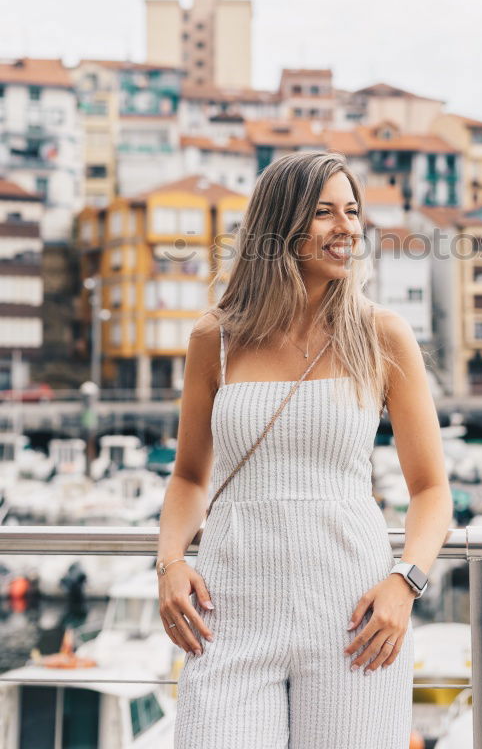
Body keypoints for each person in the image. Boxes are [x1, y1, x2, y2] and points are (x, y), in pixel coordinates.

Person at [157, 150, 453, 748]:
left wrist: (406, 584)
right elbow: (190, 477)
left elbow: (431, 490)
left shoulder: (382, 333)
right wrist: (169, 565)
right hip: (230, 615)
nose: (346, 227)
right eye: (323, 212)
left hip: (355, 620)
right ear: (279, 227)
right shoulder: (214, 338)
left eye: (352, 211)